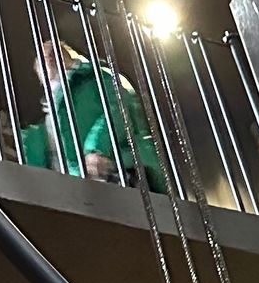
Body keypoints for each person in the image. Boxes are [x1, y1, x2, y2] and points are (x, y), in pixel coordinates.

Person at [20, 34, 169, 193]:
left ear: (68, 56)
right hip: (79, 184)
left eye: (53, 52)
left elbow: (119, 108)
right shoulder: (52, 109)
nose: (47, 57)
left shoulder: (97, 77)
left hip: (116, 168)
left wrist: (95, 150)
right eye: (42, 56)